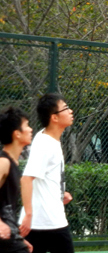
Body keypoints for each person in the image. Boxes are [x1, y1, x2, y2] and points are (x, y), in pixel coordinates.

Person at [20, 93, 75, 253]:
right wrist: (28, 215)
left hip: (46, 222)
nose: (70, 111)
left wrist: (59, 193)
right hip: (46, 223)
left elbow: (42, 178)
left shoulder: (47, 138)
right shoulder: (46, 144)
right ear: (54, 118)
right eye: (65, 108)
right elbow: (26, 179)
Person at [0, 106, 34, 253]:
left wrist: (20, 238)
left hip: (9, 236)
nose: (31, 129)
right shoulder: (4, 162)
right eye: (27, 125)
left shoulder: (13, 163)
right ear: (17, 134)